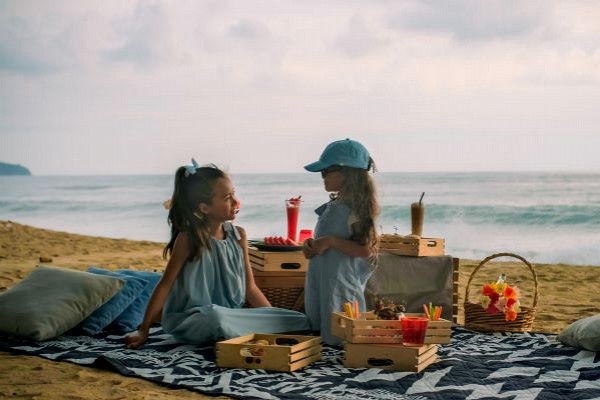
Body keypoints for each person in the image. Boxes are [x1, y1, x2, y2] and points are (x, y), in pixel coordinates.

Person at [126, 160, 309, 348]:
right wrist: (144, 330)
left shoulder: (239, 236)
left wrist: (272, 319)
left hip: (231, 316)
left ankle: (235, 333)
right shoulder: (189, 239)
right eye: (227, 197)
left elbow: (250, 288)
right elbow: (164, 286)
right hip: (196, 320)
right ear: (204, 207)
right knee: (214, 316)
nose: (235, 202)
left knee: (299, 319)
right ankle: (232, 333)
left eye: (234, 194)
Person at [302, 139, 379, 346]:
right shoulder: (335, 204)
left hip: (341, 284)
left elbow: (366, 250)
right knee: (321, 329)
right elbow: (326, 241)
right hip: (322, 281)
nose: (323, 177)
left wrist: (330, 241)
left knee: (339, 334)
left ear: (346, 173)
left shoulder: (356, 207)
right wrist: (312, 246)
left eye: (326, 171)